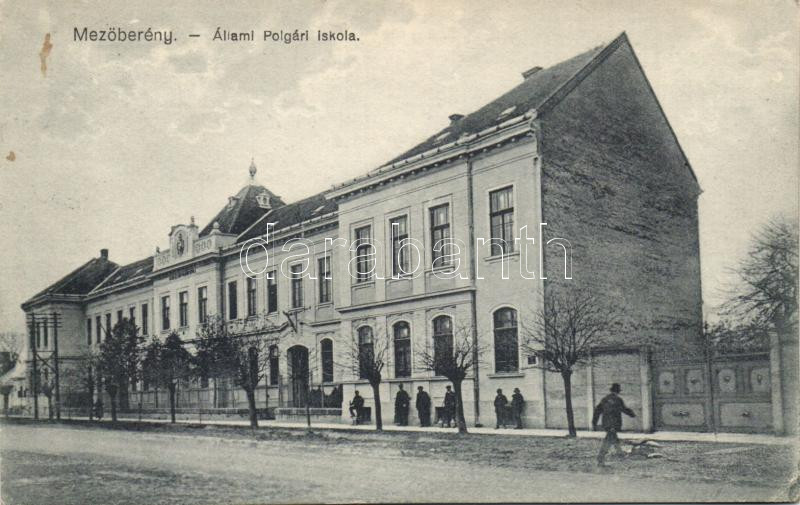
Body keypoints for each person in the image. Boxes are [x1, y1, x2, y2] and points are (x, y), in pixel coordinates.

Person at [592, 383, 636, 466]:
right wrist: (632, 414)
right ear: (618, 391)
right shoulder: (618, 400)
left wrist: (594, 422)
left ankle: (620, 454)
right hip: (614, 424)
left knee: (614, 438)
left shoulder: (605, 399)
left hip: (606, 423)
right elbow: (624, 409)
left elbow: (597, 410)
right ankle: (601, 457)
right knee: (608, 441)